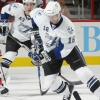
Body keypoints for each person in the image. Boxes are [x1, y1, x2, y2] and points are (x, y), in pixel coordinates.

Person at [30, 1, 100, 100]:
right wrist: (35, 31)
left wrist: (46, 55)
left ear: (60, 12)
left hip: (69, 51)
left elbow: (65, 49)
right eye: (49, 16)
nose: (52, 18)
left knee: (84, 74)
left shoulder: (68, 26)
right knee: (51, 84)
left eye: (54, 15)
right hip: (49, 51)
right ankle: (68, 90)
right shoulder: (42, 16)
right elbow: (33, 13)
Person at [0, 0, 36, 95]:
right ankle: (0, 84)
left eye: (31, 5)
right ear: (23, 5)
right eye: (27, 4)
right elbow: (4, 9)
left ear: (34, 5)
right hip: (14, 37)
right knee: (8, 57)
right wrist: (3, 21)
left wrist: (38, 47)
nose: (29, 7)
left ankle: (53, 77)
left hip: (30, 40)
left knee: (41, 58)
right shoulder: (17, 8)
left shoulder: (38, 15)